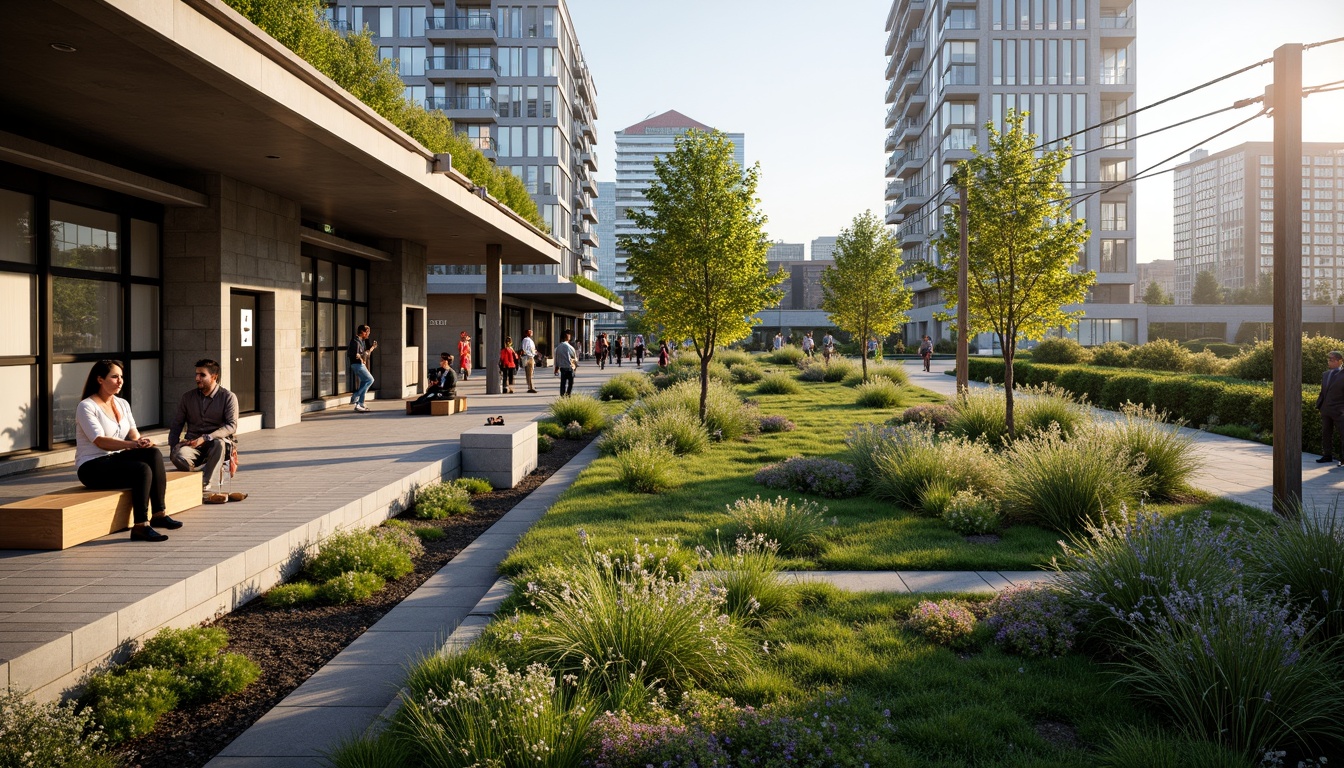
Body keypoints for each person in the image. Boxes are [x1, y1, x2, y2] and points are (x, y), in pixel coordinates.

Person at [74, 360, 178, 542]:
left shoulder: (122, 403)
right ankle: (140, 526)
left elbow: (133, 434)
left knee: (153, 454)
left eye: (121, 377)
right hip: (92, 466)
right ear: (100, 379)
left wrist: (143, 442)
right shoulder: (87, 406)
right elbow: (100, 441)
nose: (120, 381)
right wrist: (132, 445)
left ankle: (159, 514)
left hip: (114, 459)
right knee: (141, 469)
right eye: (114, 377)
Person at [168, 358, 240, 499]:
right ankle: (206, 472)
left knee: (219, 443)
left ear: (214, 377)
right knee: (177, 456)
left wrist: (206, 437)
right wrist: (173, 447)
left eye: (202, 375)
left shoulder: (228, 397)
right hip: (192, 445)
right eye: (196, 374)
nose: (197, 378)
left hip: (215, 444)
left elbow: (232, 426)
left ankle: (205, 482)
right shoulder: (187, 398)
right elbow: (177, 425)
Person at [1317, 350, 1344, 465]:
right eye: (1328, 359)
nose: (1329, 362)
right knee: (1326, 433)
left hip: (1340, 411)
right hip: (1326, 409)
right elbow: (1323, 392)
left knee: (1343, 434)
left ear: (1339, 361)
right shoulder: (1325, 374)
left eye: (1332, 360)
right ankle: (1327, 455)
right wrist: (1320, 405)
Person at [348, 324, 377, 412]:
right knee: (370, 380)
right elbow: (354, 354)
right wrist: (360, 358)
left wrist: (372, 348)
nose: (368, 335)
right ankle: (356, 396)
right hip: (357, 365)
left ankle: (360, 404)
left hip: (360, 364)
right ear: (363, 332)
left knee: (364, 382)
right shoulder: (355, 341)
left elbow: (366, 353)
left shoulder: (362, 341)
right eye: (368, 333)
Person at [554, 330, 578, 396]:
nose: (569, 336)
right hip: (570, 367)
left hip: (562, 367)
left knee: (563, 383)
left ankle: (562, 394)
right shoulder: (569, 347)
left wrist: (556, 368)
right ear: (567, 337)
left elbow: (556, 359)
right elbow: (574, 358)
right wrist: (575, 366)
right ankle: (568, 394)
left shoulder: (558, 347)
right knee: (570, 383)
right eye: (568, 335)